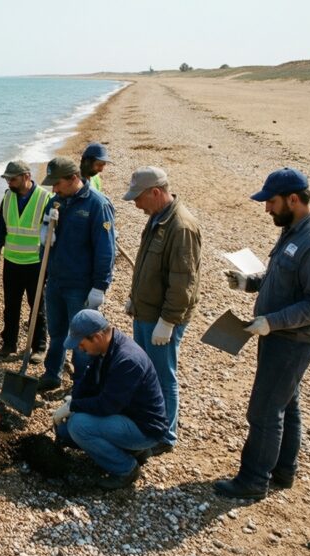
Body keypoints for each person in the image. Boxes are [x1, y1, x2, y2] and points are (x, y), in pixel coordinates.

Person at [215, 167, 310, 500]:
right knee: (287, 402)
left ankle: (254, 481)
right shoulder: (293, 230)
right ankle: (284, 471)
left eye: (271, 201)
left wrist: (272, 322)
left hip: (293, 341)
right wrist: (250, 284)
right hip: (280, 336)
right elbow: (281, 277)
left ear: (293, 199)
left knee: (263, 409)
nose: (267, 208)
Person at [122, 167, 201, 457]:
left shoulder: (181, 226)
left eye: (139, 198)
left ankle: (165, 436)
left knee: (162, 375)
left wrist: (168, 321)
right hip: (146, 313)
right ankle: (151, 421)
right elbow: (146, 266)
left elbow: (183, 281)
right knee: (147, 372)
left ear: (155, 192)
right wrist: (134, 298)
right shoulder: (157, 218)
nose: (136, 204)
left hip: (162, 318)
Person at [51, 309, 168, 490]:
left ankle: (125, 469)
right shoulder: (107, 347)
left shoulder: (127, 360)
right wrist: (73, 399)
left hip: (144, 428)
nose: (80, 349)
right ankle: (133, 450)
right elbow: (88, 381)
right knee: (66, 432)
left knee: (78, 426)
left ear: (96, 337)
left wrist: (73, 406)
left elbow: (107, 406)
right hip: (125, 415)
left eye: (81, 344)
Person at [38, 157, 117, 391]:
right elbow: (45, 244)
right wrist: (45, 236)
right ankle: (53, 373)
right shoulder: (55, 203)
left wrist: (100, 286)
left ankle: (83, 383)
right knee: (57, 331)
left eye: (57, 183)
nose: (54, 189)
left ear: (73, 178)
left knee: (83, 338)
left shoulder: (97, 205)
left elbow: (106, 250)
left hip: (81, 286)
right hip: (55, 281)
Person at [0, 160, 52, 362]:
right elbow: (1, 224)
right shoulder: (8, 196)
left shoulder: (45, 198)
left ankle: (39, 348)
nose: (9, 183)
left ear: (27, 176)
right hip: (12, 261)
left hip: (35, 262)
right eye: (7, 179)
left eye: (13, 179)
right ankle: (9, 344)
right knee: (11, 305)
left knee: (37, 307)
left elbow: (52, 232)